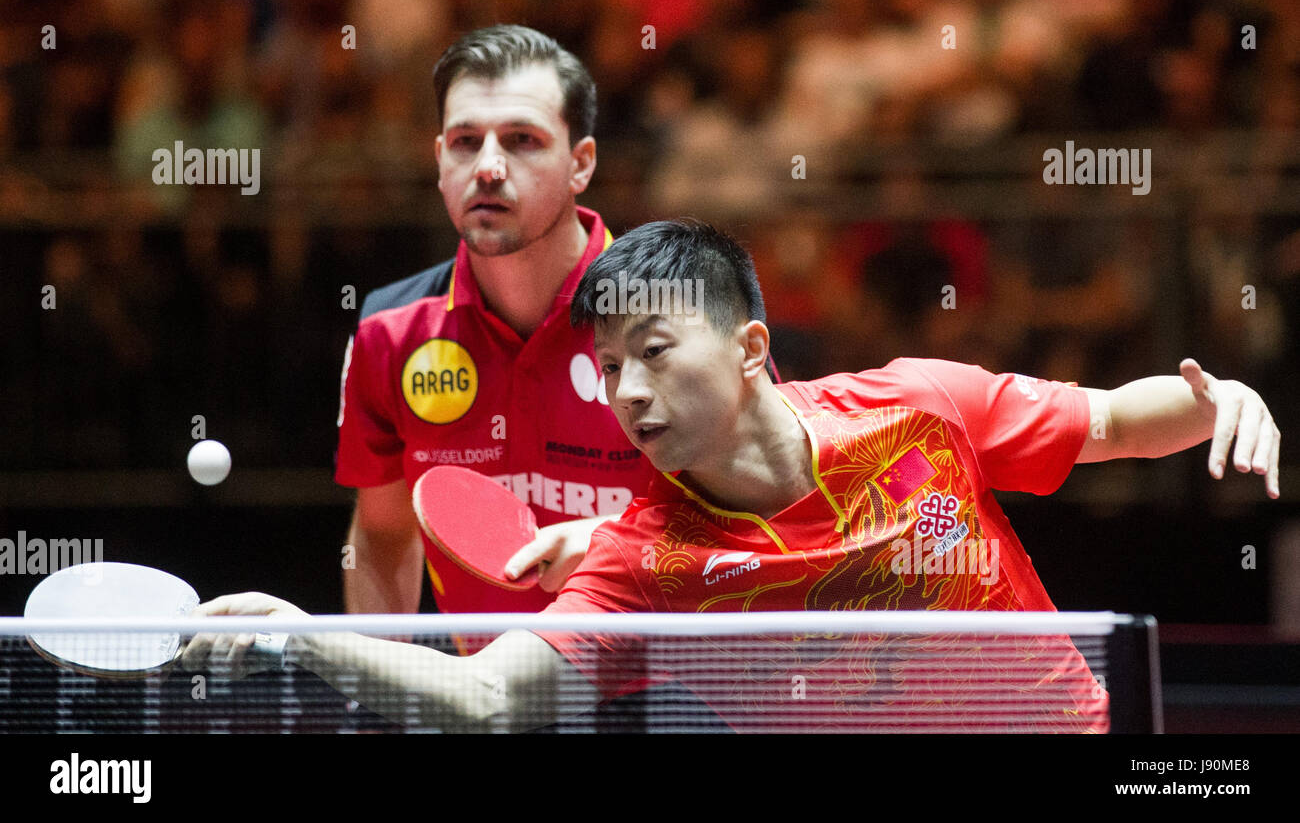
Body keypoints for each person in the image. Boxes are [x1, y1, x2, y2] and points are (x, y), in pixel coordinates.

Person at [192, 221, 1281, 731]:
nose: (625, 391)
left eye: (655, 352)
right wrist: (304, 632)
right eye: (608, 367)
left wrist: (1214, 399)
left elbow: (1109, 423)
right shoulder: (643, 560)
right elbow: (482, 699)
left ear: (753, 346)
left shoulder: (914, 405)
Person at [336, 25, 656, 614]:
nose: (488, 167)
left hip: (663, 693)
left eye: (522, 140)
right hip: (479, 692)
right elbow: (382, 535)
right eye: (464, 142)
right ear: (439, 162)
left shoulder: (679, 320)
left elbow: (765, 518)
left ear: (580, 163)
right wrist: (375, 692)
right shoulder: (389, 332)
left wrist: (614, 540)